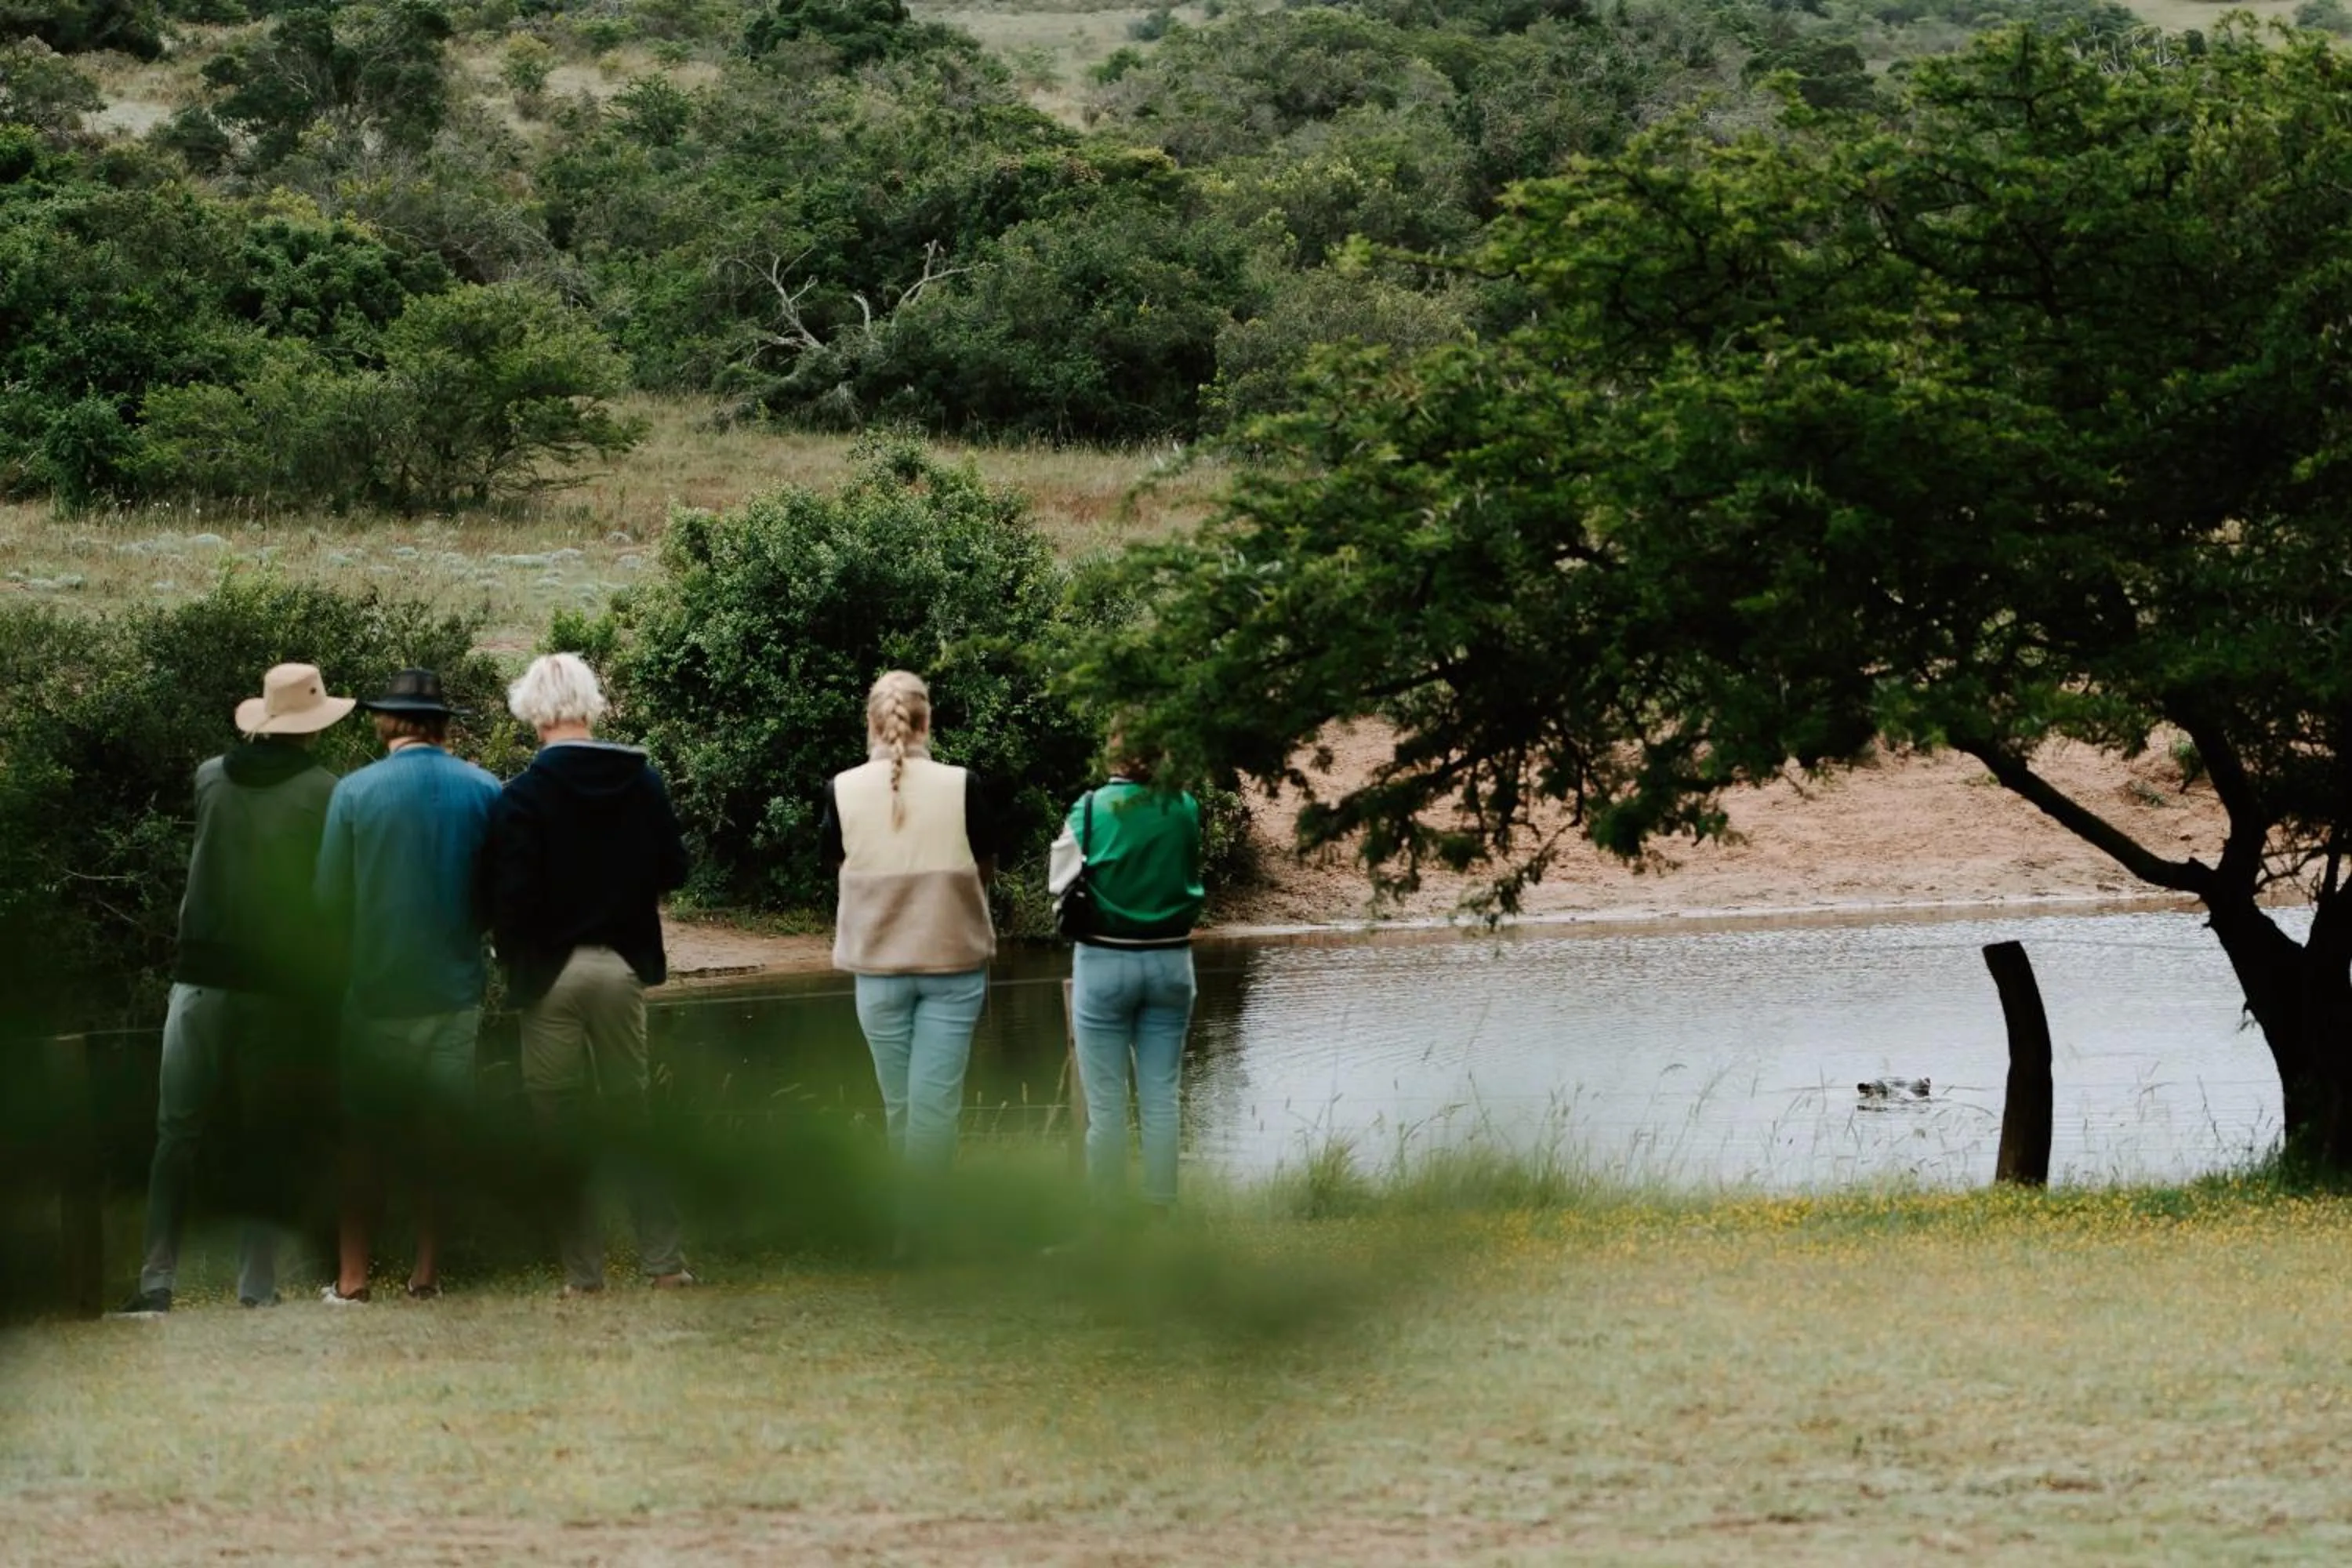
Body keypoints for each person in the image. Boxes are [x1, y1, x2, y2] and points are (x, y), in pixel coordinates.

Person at [117, 662, 354, 1316]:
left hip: (198, 979)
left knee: (176, 1135)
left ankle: (156, 1280)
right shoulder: (325, 791)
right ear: (311, 726)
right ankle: (257, 1286)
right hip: (274, 988)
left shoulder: (209, 777)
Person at [488, 653, 694, 1296]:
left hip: (549, 973)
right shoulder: (643, 780)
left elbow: (509, 897)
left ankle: (584, 1276)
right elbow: (675, 870)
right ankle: (665, 1264)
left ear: (533, 711)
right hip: (622, 964)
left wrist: (514, 958)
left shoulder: (522, 794)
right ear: (590, 703)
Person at [313, 669, 500, 1305]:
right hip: (455, 989)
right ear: (442, 724)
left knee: (363, 1143)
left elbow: (328, 899)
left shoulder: (355, 792)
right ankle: (426, 1274)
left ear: (386, 720)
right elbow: (498, 895)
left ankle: (353, 1278)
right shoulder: (486, 790)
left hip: (376, 993)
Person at [819, 671, 1000, 1245]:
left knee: (900, 1108)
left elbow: (839, 867)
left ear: (871, 723)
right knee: (935, 1111)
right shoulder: (963, 784)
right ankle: (924, 1231)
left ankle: (909, 1229)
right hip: (951, 963)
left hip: (878, 969)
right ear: (928, 722)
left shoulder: (841, 789)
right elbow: (987, 866)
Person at [1048, 739, 1206, 1219]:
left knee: (1107, 1106)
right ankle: (1161, 1208)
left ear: (1114, 750)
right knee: (1161, 1095)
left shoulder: (1092, 808)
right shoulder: (1184, 806)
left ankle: (1109, 1212)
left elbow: (1058, 881)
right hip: (1171, 961)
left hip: (1104, 962)